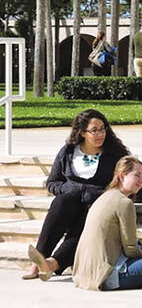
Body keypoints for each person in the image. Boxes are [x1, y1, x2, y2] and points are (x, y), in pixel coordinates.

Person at [23, 110, 129, 281]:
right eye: (94, 130)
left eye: (103, 129)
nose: (100, 134)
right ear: (82, 133)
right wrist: (76, 190)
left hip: (98, 204)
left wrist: (92, 193)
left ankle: (51, 264)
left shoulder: (116, 154)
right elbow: (52, 183)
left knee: (86, 223)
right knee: (61, 202)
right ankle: (39, 260)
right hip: (70, 203)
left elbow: (123, 185)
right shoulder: (68, 152)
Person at [73, 156, 142, 290]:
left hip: (83, 274)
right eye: (137, 175)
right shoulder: (125, 203)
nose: (141, 181)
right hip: (105, 276)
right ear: (121, 176)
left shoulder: (104, 196)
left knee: (140, 247)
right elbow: (130, 248)